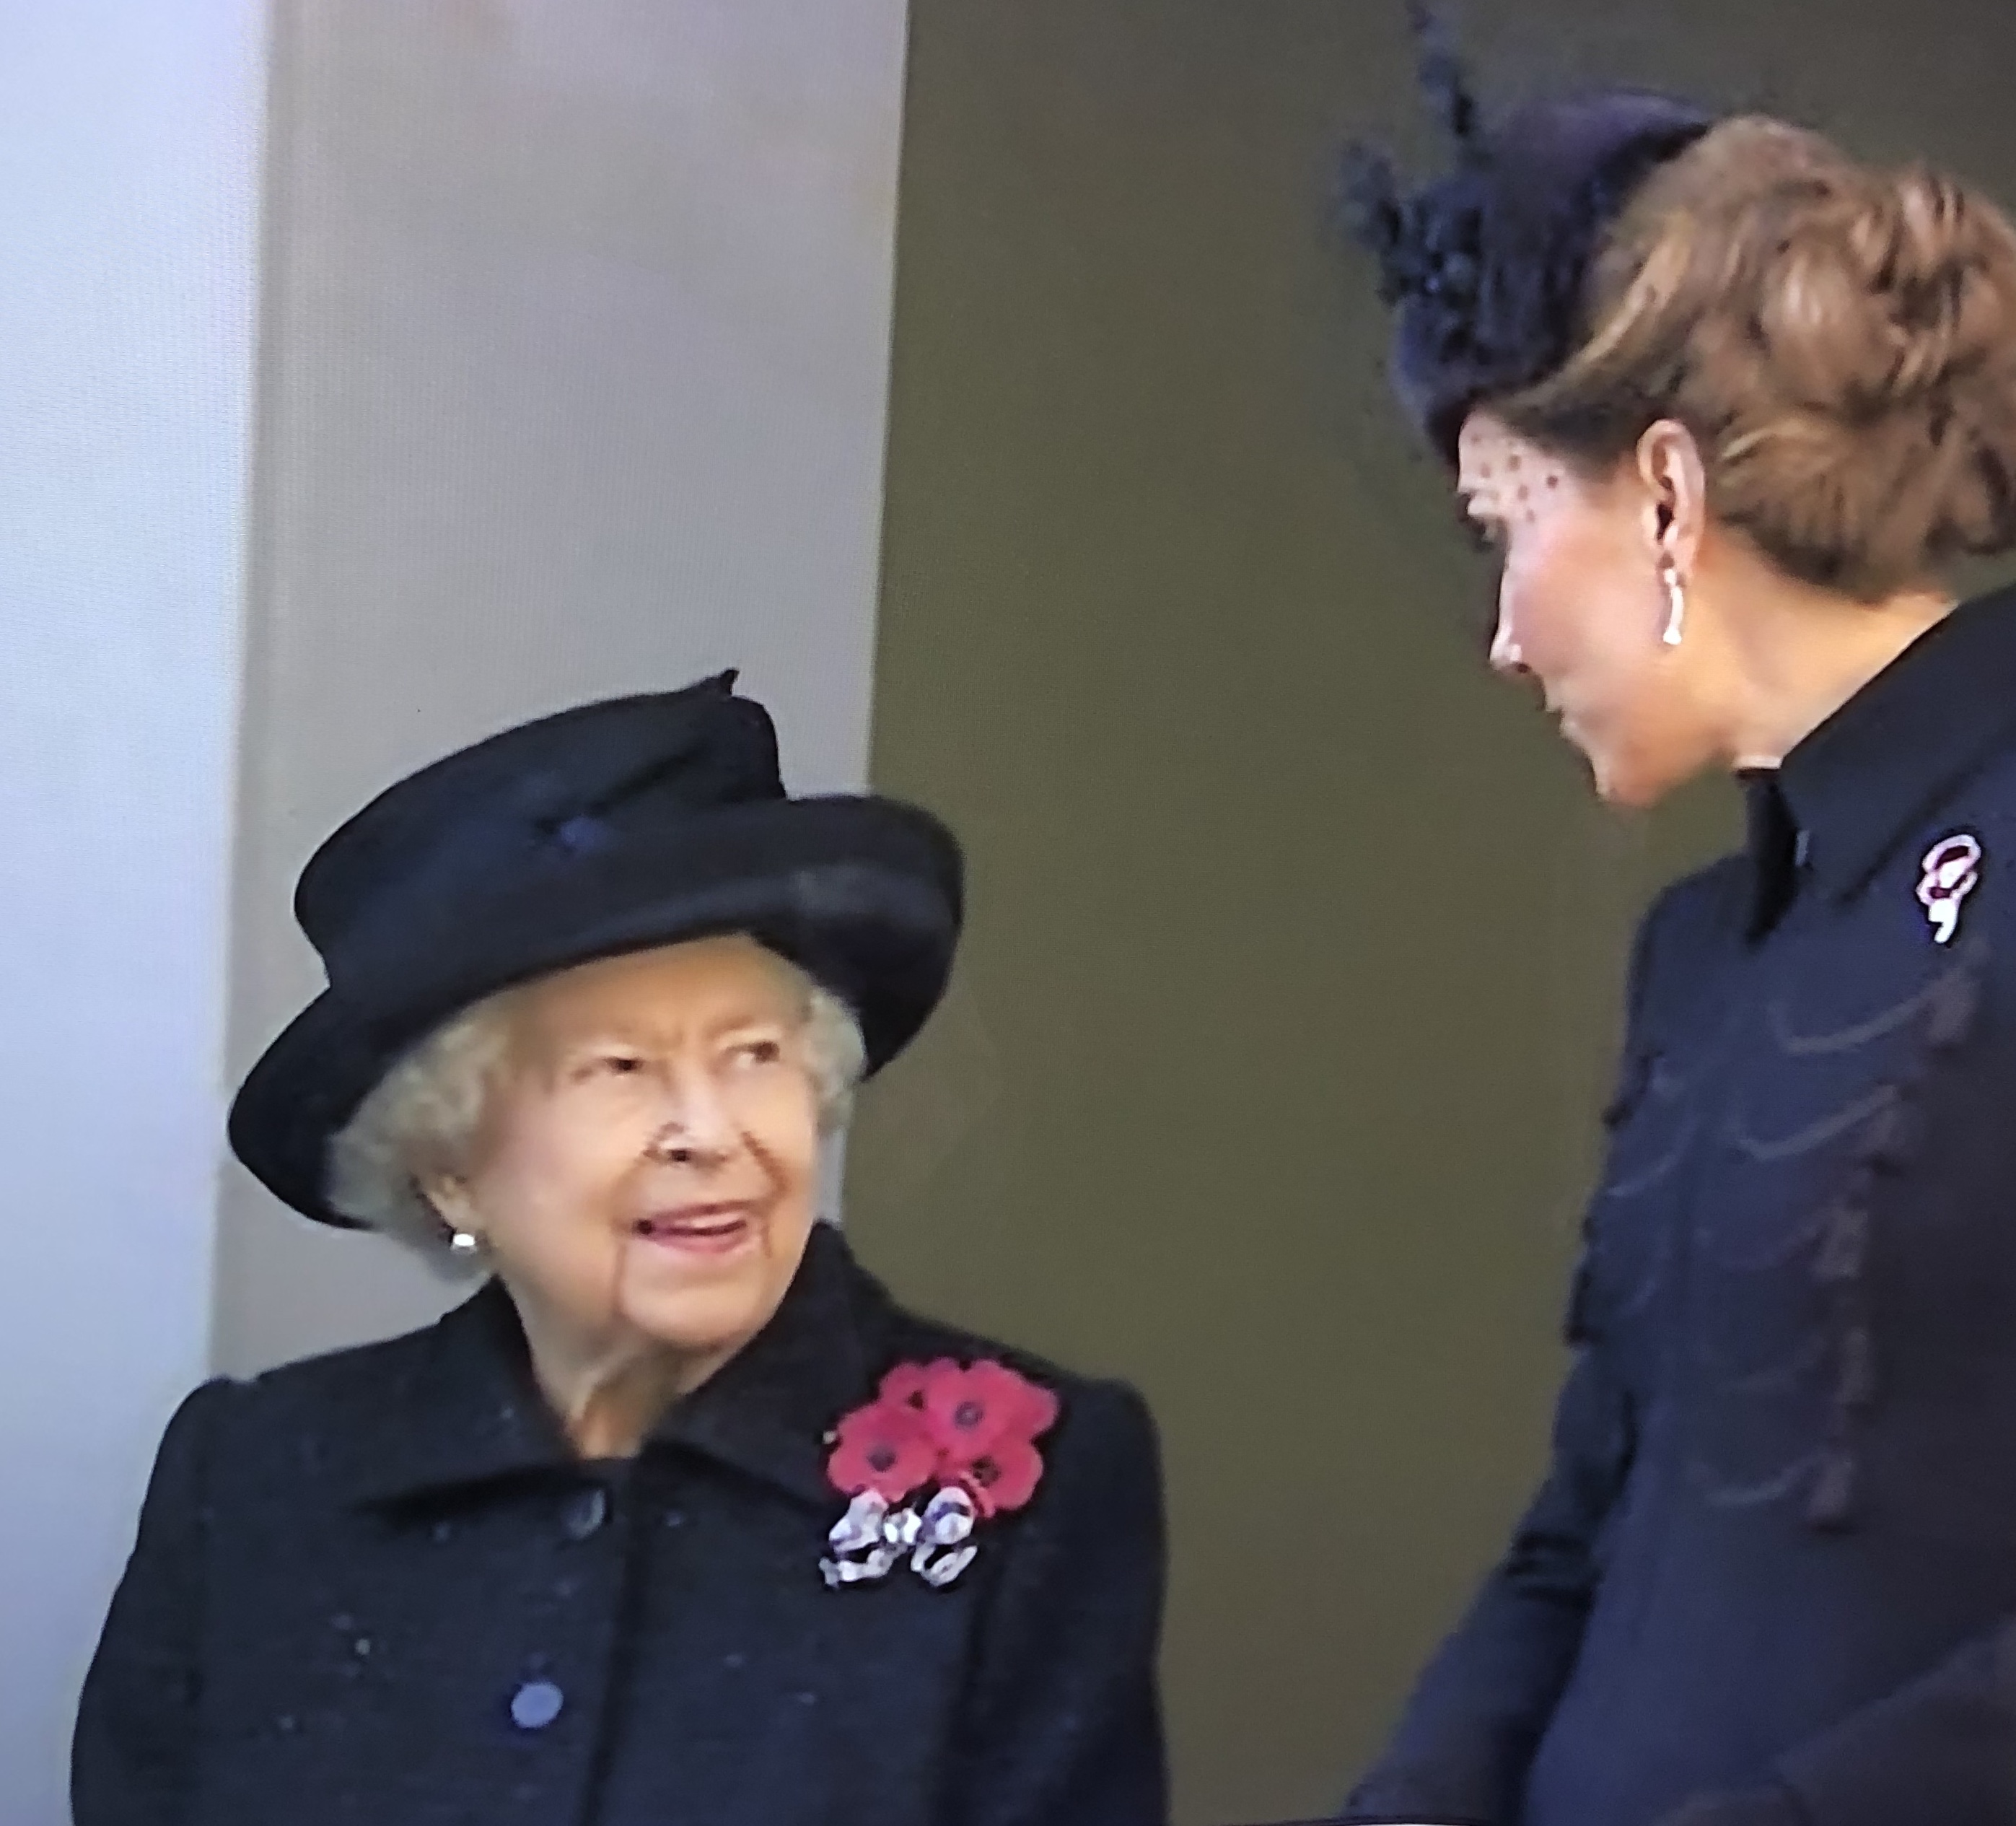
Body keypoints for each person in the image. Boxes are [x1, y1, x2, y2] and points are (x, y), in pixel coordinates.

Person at [71, 672, 1168, 1826]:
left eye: (753, 1053)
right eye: (619, 1069)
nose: (710, 1131)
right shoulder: (252, 1477)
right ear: (449, 1163)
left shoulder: (1034, 1482)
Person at [1333, 21, 2016, 1826]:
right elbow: (1589, 1524)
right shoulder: (1703, 947)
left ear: (1658, 491)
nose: (1500, 631)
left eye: (1504, 522)